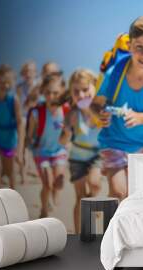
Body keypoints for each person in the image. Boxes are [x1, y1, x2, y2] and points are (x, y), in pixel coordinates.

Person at [91, 16, 143, 201]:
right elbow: (95, 104)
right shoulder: (115, 73)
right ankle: (110, 229)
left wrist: (142, 118)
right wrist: (99, 114)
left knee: (137, 198)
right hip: (113, 142)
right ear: (130, 47)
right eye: (139, 48)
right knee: (119, 192)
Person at [59, 69, 103, 233]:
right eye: (76, 91)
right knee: (79, 198)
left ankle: (94, 202)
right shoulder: (71, 115)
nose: (81, 94)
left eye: (85, 89)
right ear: (71, 93)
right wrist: (67, 133)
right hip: (77, 157)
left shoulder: (101, 111)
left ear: (94, 88)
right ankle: (79, 235)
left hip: (97, 155)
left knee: (95, 184)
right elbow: (62, 141)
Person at [25, 72, 68, 218]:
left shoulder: (66, 111)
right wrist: (26, 153)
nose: (51, 96)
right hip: (41, 152)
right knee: (47, 183)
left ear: (62, 92)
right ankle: (43, 210)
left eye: (55, 93)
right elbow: (29, 136)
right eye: (48, 93)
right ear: (43, 92)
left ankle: (55, 193)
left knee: (59, 181)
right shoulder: (37, 113)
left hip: (59, 151)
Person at [0, 64, 22, 189]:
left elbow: (20, 124)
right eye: (2, 81)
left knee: (9, 172)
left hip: (9, 138)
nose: (5, 85)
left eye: (9, 82)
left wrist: (20, 149)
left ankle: (13, 199)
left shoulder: (14, 100)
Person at [16, 60, 37, 183]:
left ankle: (30, 171)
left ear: (35, 73)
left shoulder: (38, 85)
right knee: (24, 147)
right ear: (23, 73)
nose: (28, 74)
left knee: (29, 148)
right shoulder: (19, 87)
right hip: (24, 120)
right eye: (26, 71)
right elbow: (20, 107)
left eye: (31, 71)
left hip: (36, 120)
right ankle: (24, 176)